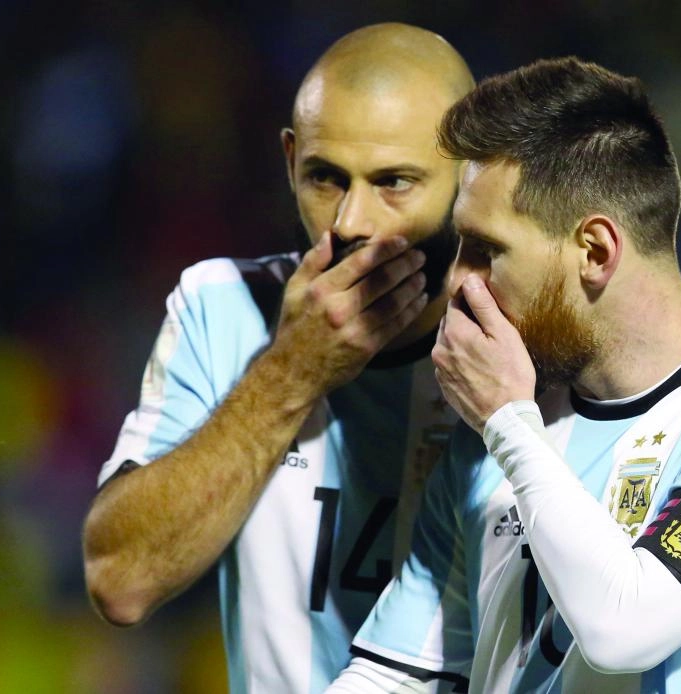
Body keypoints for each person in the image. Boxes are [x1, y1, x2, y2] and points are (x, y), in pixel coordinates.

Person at [328, 57, 681, 693]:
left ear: (596, 252)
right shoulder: (500, 425)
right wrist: (506, 423)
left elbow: (627, 628)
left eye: (486, 250)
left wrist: (507, 424)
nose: (456, 281)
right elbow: (396, 674)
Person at [81, 23, 474, 693]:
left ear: (474, 173)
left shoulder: (537, 342)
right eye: (326, 178)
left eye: (395, 183)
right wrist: (291, 373)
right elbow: (121, 580)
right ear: (291, 160)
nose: (351, 221)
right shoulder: (223, 305)